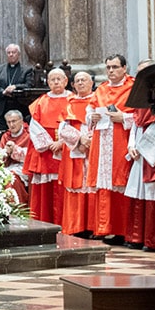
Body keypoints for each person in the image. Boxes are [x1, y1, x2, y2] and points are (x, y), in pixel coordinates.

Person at [87, 54, 135, 245]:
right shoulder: (101, 89)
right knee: (104, 186)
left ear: (124, 68)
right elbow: (90, 111)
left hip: (121, 141)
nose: (111, 71)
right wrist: (93, 117)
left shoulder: (132, 88)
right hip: (102, 142)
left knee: (120, 184)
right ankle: (104, 227)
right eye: (108, 67)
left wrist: (123, 118)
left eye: (115, 67)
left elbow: (140, 116)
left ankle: (123, 231)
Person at [24, 68, 69, 224]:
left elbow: (77, 124)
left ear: (66, 81)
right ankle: (44, 221)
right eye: (52, 79)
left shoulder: (73, 100)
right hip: (45, 152)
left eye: (59, 79)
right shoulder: (41, 101)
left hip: (66, 150)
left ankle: (66, 223)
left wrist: (62, 142)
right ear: (47, 82)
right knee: (45, 190)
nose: (56, 82)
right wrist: (49, 144)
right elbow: (34, 126)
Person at [125, 60, 155, 252]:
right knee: (138, 195)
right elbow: (136, 122)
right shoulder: (139, 95)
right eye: (138, 72)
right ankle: (136, 237)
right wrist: (131, 145)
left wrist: (143, 147)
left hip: (153, 148)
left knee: (152, 195)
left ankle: (152, 240)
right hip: (139, 147)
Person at [61, 72, 95, 236]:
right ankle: (77, 225)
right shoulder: (69, 102)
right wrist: (80, 139)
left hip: (94, 149)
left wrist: (90, 140)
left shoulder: (98, 100)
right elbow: (62, 128)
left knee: (93, 186)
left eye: (84, 80)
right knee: (77, 185)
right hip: (75, 150)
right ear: (73, 85)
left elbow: (104, 123)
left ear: (91, 82)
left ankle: (94, 227)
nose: (81, 83)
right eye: (77, 81)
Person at [0, 109, 31, 206]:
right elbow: (0, 160)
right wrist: (5, 153)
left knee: (12, 178)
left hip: (26, 167)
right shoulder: (5, 136)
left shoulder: (28, 134)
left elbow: (31, 156)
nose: (11, 125)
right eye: (9, 122)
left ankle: (17, 208)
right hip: (9, 167)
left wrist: (14, 150)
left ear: (21, 121)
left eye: (14, 121)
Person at [0, 44, 33, 120]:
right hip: (2, 106)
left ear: (18, 54)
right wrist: (3, 92)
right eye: (9, 53)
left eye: (13, 52)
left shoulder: (26, 70)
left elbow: (29, 85)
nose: (11, 54)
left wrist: (15, 86)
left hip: (19, 105)